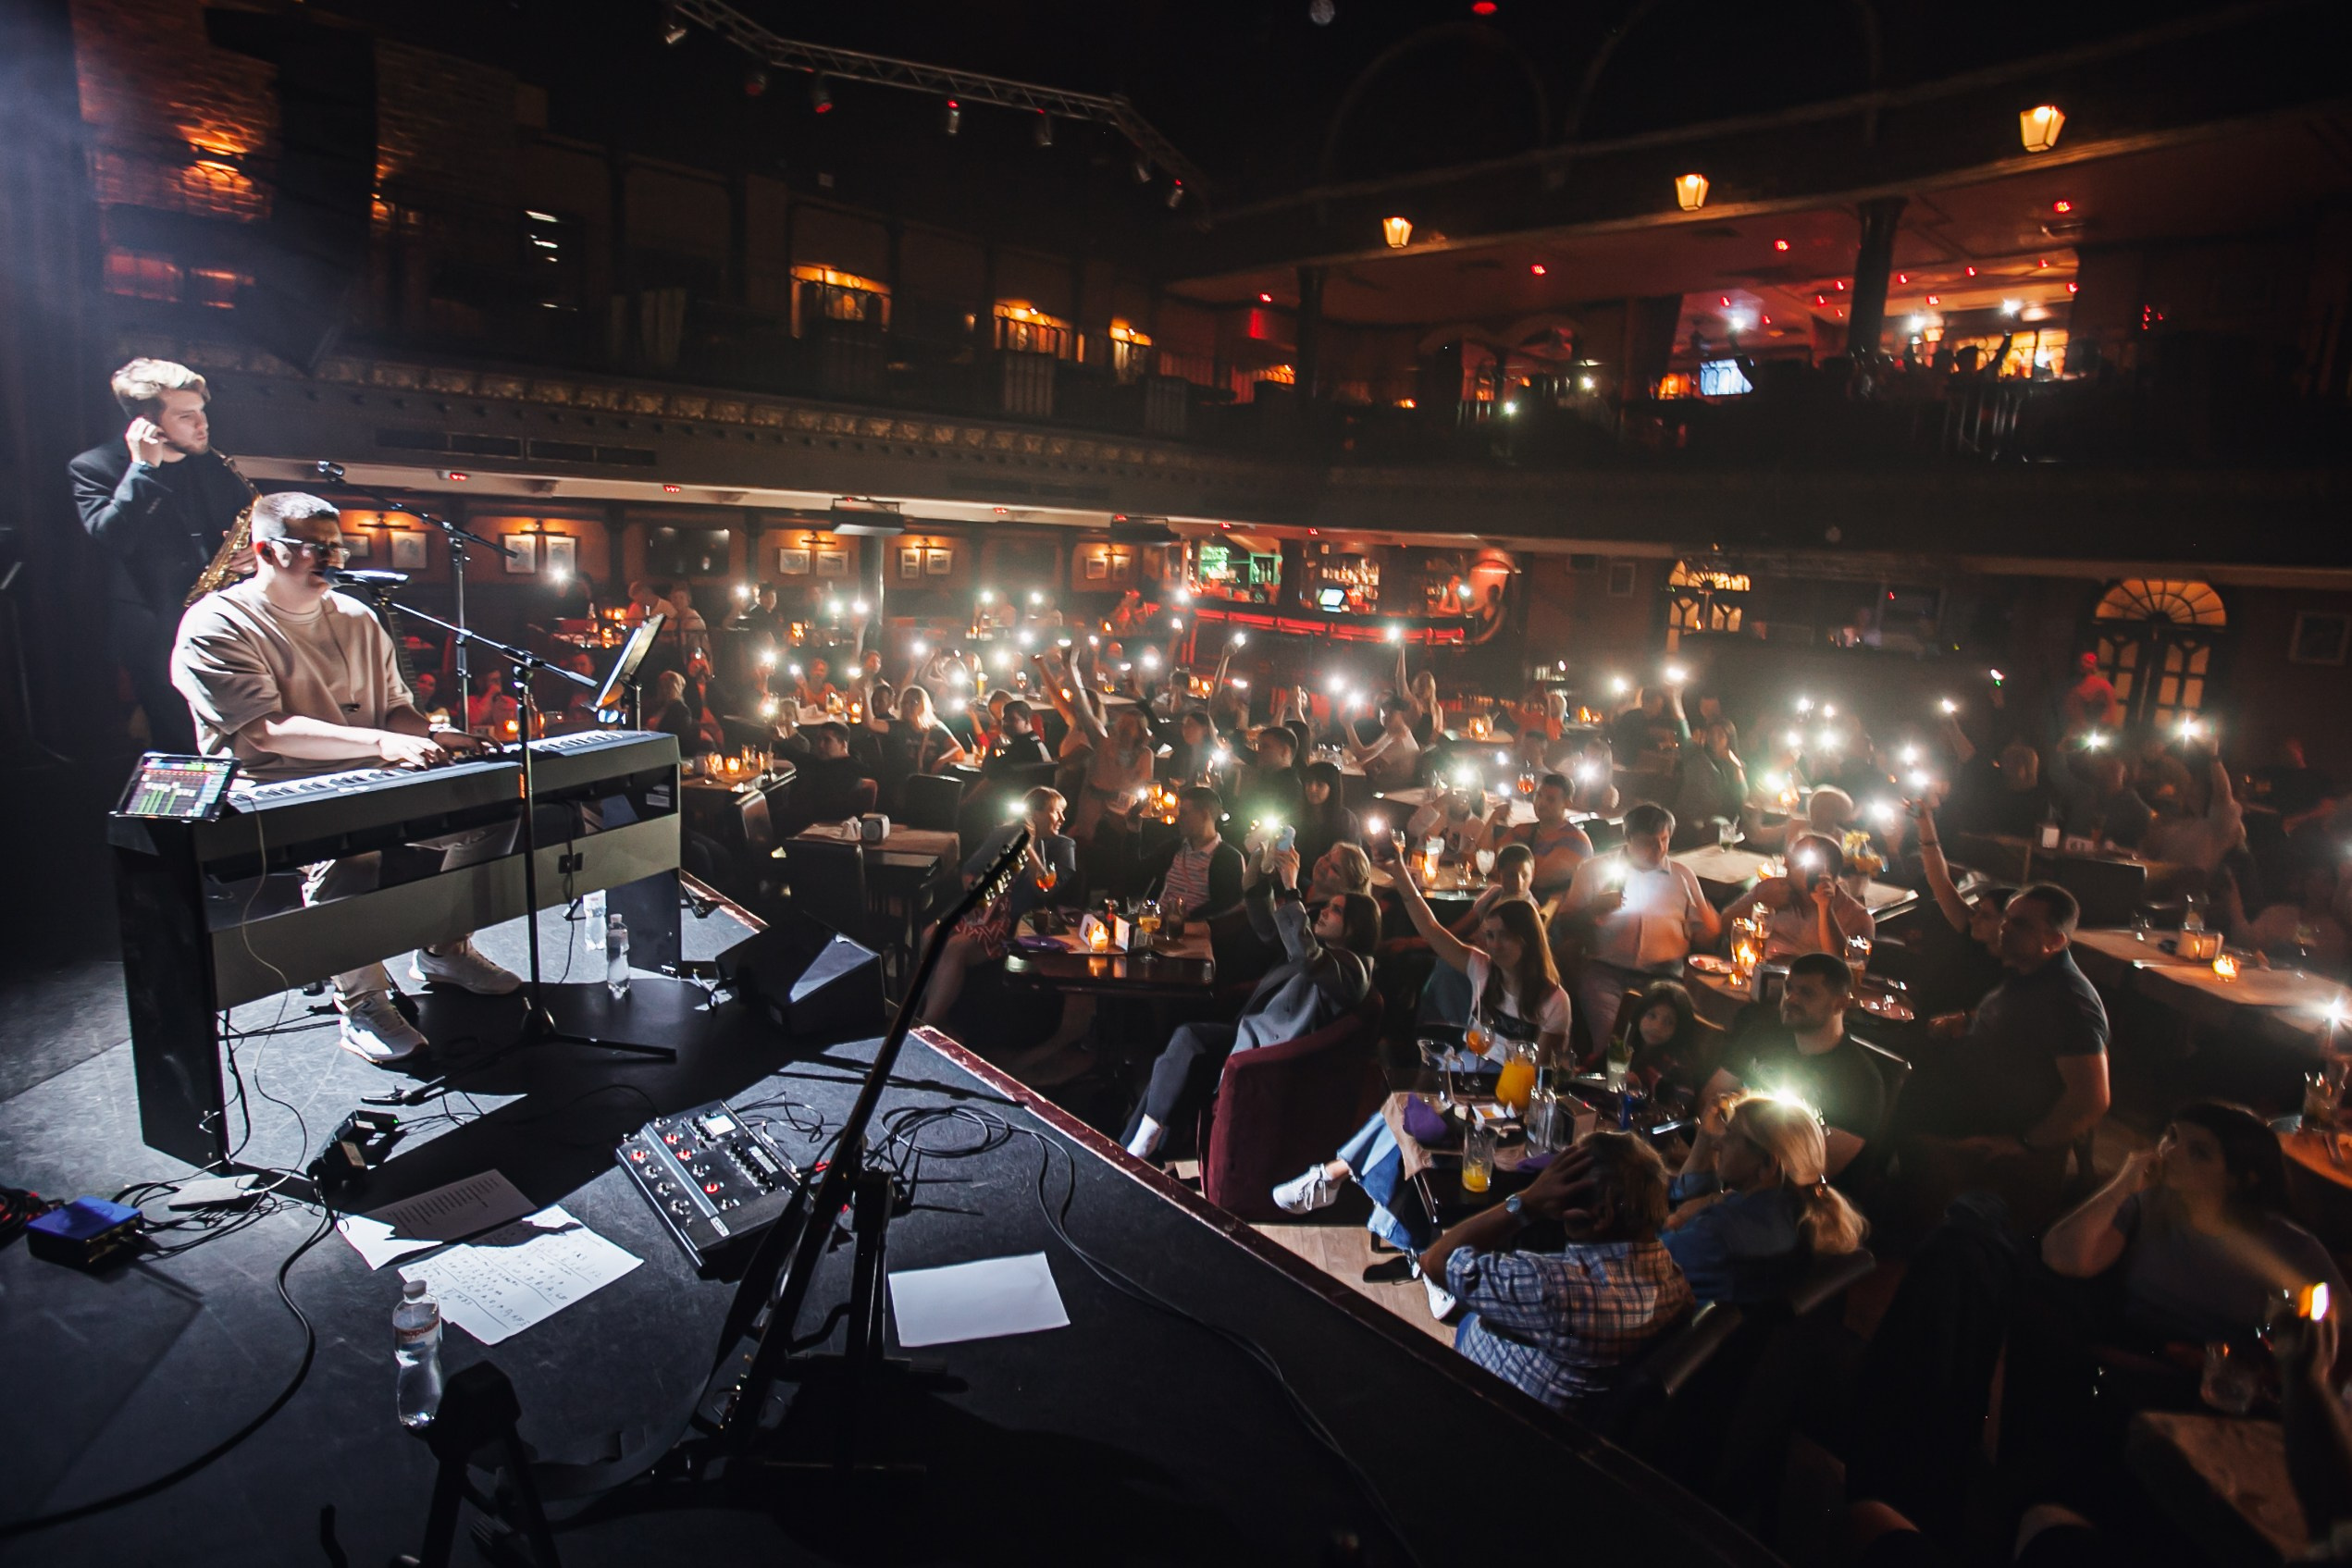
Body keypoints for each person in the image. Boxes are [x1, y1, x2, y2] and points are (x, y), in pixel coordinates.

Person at [169, 493, 521, 1064]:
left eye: (338, 545)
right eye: (316, 547)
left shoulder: (358, 616)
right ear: (266, 551)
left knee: (493, 812)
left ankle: (443, 951)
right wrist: (383, 743)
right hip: (272, 784)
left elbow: (394, 710)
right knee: (349, 849)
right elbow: (265, 733)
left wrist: (433, 734)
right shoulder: (216, 623)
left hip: (365, 768)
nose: (332, 557)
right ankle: (362, 1001)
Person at [1120, 843, 1379, 1161]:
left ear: (1356, 924)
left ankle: (1141, 1147)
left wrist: (1291, 887)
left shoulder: (1354, 969)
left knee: (1188, 1041)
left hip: (1271, 1055)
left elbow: (1307, 957)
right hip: (1254, 1031)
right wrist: (1259, 860)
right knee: (1177, 1057)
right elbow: (1270, 928)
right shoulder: (1322, 934)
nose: (1325, 912)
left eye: (1336, 910)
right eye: (1325, 856)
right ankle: (1138, 1148)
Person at [1888, 883, 2111, 1230]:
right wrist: (1967, 1020)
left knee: (1888, 1097)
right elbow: (2014, 1018)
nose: (2006, 927)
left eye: (2020, 924)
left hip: (1988, 1124)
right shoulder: (2027, 971)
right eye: (2007, 918)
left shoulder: (2069, 1002)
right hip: (1961, 1090)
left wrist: (2024, 1144)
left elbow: (2091, 1100)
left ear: (2055, 941)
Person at [1421, 1136, 1694, 1413]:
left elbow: (1436, 1261)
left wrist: (1527, 1203)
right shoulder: (1676, 1283)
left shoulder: (1552, 1290)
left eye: (1565, 1192)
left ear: (1601, 1214)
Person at [72, 358, 254, 752]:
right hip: (157, 630)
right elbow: (113, 537)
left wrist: (255, 555)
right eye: (186, 416)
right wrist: (143, 471)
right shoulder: (95, 468)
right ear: (147, 424)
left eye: (202, 413)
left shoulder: (216, 467)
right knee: (179, 742)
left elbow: (248, 528)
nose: (202, 425)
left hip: (223, 619)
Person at [1665, 1090, 1870, 1304]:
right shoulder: (1799, 1211)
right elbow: (1693, 1198)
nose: (1718, 1144)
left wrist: (1675, 1220)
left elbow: (1641, 1260)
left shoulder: (1719, 1231)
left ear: (1768, 1164)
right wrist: (1705, 1137)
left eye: (1730, 1136)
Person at [1698, 952, 1887, 1176]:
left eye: (1806, 993)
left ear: (1840, 1004)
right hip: (1725, 1165)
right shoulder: (1762, 1035)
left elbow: (1817, 1165)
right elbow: (1713, 1095)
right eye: (1789, 988)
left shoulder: (1860, 1082)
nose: (1791, 999)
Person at [1556, 803, 1722, 1055]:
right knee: (1614, 1041)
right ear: (1628, 838)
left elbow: (1704, 935)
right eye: (1648, 843)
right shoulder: (1594, 870)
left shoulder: (1682, 876)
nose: (1658, 850)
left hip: (1664, 978)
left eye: (1664, 840)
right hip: (1606, 973)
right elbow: (1564, 926)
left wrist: (1711, 927)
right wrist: (1593, 910)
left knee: (1664, 1048)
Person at [915, 787, 1079, 1029]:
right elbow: (970, 871)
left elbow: (1044, 889)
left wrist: (1029, 845)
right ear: (1035, 813)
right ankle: (931, 1015)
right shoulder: (1006, 832)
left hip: (1016, 920)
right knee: (931, 935)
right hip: (982, 909)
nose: (1063, 820)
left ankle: (927, 1025)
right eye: (1056, 812)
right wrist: (979, 903)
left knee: (955, 948)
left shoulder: (1063, 847)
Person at [1907, 800, 2015, 1014]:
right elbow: (1939, 880)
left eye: (1985, 916)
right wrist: (1925, 823)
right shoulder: (1973, 932)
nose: (1974, 918)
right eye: (1977, 912)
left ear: (2007, 923)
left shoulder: (2018, 969)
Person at [1719, 832, 1875, 961]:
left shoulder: (1856, 917)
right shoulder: (1771, 889)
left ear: (1823, 871)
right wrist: (1759, 902)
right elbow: (1724, 926)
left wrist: (1825, 908)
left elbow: (1843, 970)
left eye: (1796, 860)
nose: (1785, 865)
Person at [2140, 731, 2246, 882]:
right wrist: (2154, 831)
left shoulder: (2217, 825)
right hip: (2157, 886)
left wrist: (2214, 757)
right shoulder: (2177, 823)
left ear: (2207, 790)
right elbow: (2149, 855)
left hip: (2186, 896)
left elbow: (2223, 795)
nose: (2188, 788)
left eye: (2195, 785)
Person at [1141, 785, 1244, 920]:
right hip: (1158, 925)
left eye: (1184, 813)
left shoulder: (1228, 859)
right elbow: (1137, 874)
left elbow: (1228, 906)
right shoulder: (1175, 847)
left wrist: (1187, 917)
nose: (1179, 818)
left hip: (1194, 932)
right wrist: (1133, 831)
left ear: (1204, 815)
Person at [1499, 772, 1594, 898]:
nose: (1541, 803)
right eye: (1539, 796)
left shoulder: (1576, 841)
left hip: (1544, 912)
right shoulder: (1523, 830)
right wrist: (1493, 820)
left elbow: (1538, 878)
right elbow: (1494, 862)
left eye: (1550, 799)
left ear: (1567, 804)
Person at [1615, 980, 1712, 1098]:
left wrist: (1639, 1092)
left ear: (1679, 1028)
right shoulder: (1629, 1043)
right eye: (1652, 1016)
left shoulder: (1677, 1067)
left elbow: (1680, 1107)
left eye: (1668, 1022)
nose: (1657, 1027)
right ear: (1640, 1014)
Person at [1670, 720, 1749, 848]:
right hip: (1693, 815)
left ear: (1729, 740)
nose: (1715, 738)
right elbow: (1683, 736)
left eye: (1720, 735)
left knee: (1721, 827)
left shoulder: (1737, 766)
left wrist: (1736, 766)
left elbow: (1742, 797)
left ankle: (1725, 856)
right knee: (1695, 827)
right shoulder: (1696, 755)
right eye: (1711, 734)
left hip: (1725, 821)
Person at [791, 721, 875, 826]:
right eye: (818, 739)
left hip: (830, 826)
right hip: (807, 821)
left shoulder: (853, 768)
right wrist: (779, 740)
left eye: (827, 740)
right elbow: (796, 756)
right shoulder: (821, 762)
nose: (820, 745)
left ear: (843, 745)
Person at [1232, 723, 1306, 832]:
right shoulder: (1263, 777)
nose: (1259, 752)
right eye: (1258, 747)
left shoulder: (1290, 787)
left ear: (1285, 751)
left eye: (1265, 747)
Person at [1293, 760, 1361, 872]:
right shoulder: (1298, 816)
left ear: (1332, 788)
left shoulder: (1345, 820)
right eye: (1309, 783)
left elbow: (1351, 861)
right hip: (1299, 874)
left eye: (1319, 784)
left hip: (1332, 878)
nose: (1312, 789)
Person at [1347, 696, 1423, 791]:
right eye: (1384, 712)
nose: (1385, 717)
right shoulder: (1391, 734)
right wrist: (1348, 725)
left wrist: (1347, 764)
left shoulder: (1400, 742)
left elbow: (1365, 765)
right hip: (1380, 789)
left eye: (1391, 713)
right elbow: (1363, 754)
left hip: (1389, 795)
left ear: (1403, 715)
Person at [647, 669, 717, 759]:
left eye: (666, 685)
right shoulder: (661, 707)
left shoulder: (680, 710)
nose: (662, 689)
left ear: (673, 687)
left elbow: (680, 740)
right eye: (661, 685)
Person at [2055, 652, 2121, 739]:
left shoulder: (2102, 686)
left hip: (2090, 732)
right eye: (2081, 661)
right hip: (2070, 730)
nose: (2083, 664)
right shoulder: (2070, 685)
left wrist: (2102, 728)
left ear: (2095, 666)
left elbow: (2109, 710)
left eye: (2088, 662)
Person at [980, 698, 1053, 776]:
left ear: (1027, 721)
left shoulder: (1024, 747)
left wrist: (992, 751)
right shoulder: (1032, 742)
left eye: (1012, 720)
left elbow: (990, 772)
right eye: (1004, 720)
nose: (1006, 724)